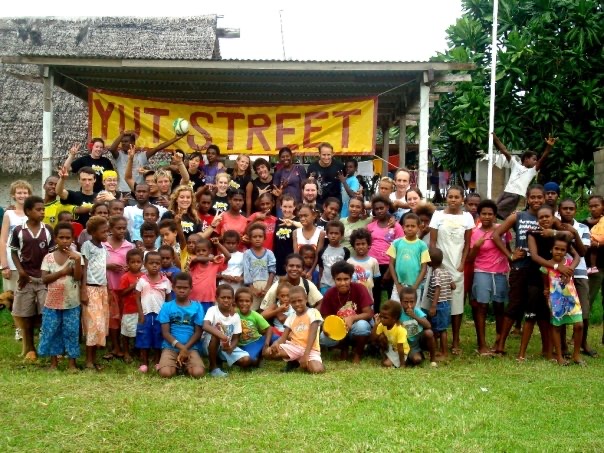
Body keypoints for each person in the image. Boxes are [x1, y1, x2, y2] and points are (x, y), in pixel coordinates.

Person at [492, 185, 548, 355]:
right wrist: (509, 255)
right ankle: (500, 344)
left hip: (541, 268)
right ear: (527, 198)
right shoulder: (518, 216)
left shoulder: (548, 217)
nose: (536, 200)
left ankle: (547, 349)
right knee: (515, 304)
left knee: (542, 307)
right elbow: (496, 235)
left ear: (544, 198)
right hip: (521, 267)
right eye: (533, 197)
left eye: (540, 197)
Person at [525, 206, 578, 362]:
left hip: (561, 282)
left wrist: (569, 269)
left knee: (558, 316)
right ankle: (547, 351)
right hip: (539, 278)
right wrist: (556, 266)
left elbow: (576, 254)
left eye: (547, 216)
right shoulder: (533, 233)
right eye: (541, 217)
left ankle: (556, 351)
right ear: (537, 220)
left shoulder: (559, 234)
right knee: (541, 315)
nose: (545, 220)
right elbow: (534, 256)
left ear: (553, 217)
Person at [429, 186, 473, 355]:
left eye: (457, 197)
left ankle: (455, 340)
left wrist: (462, 264)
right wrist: (435, 264)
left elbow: (467, 244)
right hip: (440, 265)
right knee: (437, 302)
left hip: (457, 266)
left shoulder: (467, 218)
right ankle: (437, 339)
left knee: (456, 305)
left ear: (462, 199)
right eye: (450, 196)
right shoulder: (438, 216)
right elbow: (433, 243)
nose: (453, 200)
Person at [10, 196, 55, 360]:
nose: (42, 212)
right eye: (38, 209)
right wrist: (21, 271)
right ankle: (29, 348)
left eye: (43, 209)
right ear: (28, 211)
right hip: (25, 279)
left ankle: (47, 347)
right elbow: (14, 252)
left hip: (43, 279)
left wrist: (49, 275)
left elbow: (52, 254)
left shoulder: (48, 230)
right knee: (26, 315)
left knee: (46, 314)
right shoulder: (18, 230)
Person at [467, 200, 511, 355]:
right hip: (482, 272)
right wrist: (477, 246)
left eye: (490, 214)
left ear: (495, 215)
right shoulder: (474, 232)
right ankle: (482, 345)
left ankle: (499, 342)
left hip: (501, 272)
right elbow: (470, 258)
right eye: (484, 214)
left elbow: (508, 249)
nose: (487, 217)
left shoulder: (502, 230)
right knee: (482, 307)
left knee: (499, 306)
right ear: (479, 215)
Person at [38, 222, 82, 371]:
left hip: (71, 303)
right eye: (61, 237)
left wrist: (76, 261)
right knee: (52, 330)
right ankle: (53, 363)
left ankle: (72, 363)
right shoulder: (48, 258)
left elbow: (78, 277)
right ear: (55, 239)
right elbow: (45, 279)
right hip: (52, 303)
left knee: (71, 331)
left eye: (67, 237)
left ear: (72, 239)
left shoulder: (76, 257)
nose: (64, 240)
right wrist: (62, 272)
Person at [558, 199, 594, 357]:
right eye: (564, 208)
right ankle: (563, 346)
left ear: (576, 210)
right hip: (560, 272)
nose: (568, 211)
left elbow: (583, 251)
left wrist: (573, 232)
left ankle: (583, 343)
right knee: (563, 309)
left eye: (571, 208)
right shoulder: (555, 226)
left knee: (584, 311)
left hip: (579, 272)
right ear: (559, 211)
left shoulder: (583, 227)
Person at [319, 261, 373, 364]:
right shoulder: (330, 293)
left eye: (346, 279)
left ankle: (358, 353)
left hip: (357, 326)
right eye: (338, 279)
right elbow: (325, 316)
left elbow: (369, 313)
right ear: (333, 279)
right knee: (323, 337)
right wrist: (327, 326)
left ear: (351, 278)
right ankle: (344, 349)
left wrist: (352, 318)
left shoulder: (360, 288)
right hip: (340, 328)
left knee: (362, 326)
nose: (343, 283)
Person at [493, 133, 557, 219]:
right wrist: (494, 137)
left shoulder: (532, 171)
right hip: (506, 192)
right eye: (534, 159)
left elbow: (543, 158)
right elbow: (504, 150)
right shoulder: (515, 165)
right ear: (526, 159)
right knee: (492, 209)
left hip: (515, 195)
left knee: (495, 212)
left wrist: (549, 147)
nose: (535, 162)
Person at [542, 235, 583, 365]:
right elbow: (545, 283)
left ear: (566, 251)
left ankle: (576, 355)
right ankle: (559, 356)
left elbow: (577, 257)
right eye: (556, 248)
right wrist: (546, 292)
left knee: (579, 325)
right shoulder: (546, 266)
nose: (559, 251)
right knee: (556, 326)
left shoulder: (570, 264)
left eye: (562, 249)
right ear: (551, 250)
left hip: (571, 298)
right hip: (556, 299)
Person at [157, 272, 206, 379]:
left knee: (198, 373)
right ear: (173, 287)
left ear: (191, 288)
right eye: (179, 287)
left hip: (191, 347)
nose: (182, 290)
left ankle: (184, 365)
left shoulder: (197, 307)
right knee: (166, 373)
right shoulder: (167, 306)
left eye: (185, 288)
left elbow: (198, 332)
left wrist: (185, 349)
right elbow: (165, 333)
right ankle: (176, 364)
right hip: (170, 347)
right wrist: (181, 348)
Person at [265, 286, 325, 373]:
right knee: (269, 352)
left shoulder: (313, 312)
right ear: (290, 302)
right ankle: (293, 360)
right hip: (294, 347)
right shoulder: (291, 317)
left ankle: (299, 361)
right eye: (293, 302)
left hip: (310, 349)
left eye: (300, 300)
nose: (297, 304)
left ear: (306, 299)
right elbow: (283, 338)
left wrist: (306, 354)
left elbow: (313, 334)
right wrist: (276, 343)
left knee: (317, 370)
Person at [109, 130, 185, 194]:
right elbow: (112, 149)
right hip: (123, 191)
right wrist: (122, 134)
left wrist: (175, 138)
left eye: (126, 141)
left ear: (133, 143)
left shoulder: (142, 156)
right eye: (122, 142)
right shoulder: (119, 155)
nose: (123, 143)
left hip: (139, 192)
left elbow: (157, 148)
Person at [201, 284, 252, 377]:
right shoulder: (212, 310)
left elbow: (236, 337)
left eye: (229, 298)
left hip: (225, 347)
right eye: (223, 297)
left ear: (233, 299)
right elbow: (205, 326)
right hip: (209, 345)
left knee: (246, 360)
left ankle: (220, 360)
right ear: (216, 298)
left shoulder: (235, 316)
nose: (226, 300)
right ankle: (213, 367)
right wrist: (222, 336)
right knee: (215, 336)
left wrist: (231, 348)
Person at [80, 216, 110, 370]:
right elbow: (83, 267)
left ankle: (94, 359)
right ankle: (88, 361)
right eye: (103, 231)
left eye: (107, 231)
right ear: (92, 232)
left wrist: (108, 289)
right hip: (90, 289)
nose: (106, 234)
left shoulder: (103, 248)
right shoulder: (87, 245)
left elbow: (104, 269)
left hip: (102, 289)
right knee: (92, 324)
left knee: (100, 326)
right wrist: (83, 289)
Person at [135, 251, 172, 373]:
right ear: (145, 265)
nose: (154, 266)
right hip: (145, 314)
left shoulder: (165, 281)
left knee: (159, 337)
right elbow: (137, 297)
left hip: (160, 316)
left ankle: (157, 361)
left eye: (157, 263)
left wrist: (167, 315)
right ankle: (144, 362)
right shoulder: (142, 280)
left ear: (161, 264)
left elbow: (168, 299)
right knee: (143, 337)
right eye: (151, 263)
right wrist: (140, 313)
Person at [103, 215, 134, 360]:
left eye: (124, 228)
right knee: (112, 319)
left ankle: (125, 346)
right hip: (108, 286)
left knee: (124, 317)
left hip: (124, 289)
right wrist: (107, 266)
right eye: (118, 228)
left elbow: (134, 263)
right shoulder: (103, 245)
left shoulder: (129, 246)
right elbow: (95, 264)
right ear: (110, 228)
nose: (121, 231)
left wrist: (129, 268)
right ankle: (115, 346)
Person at [367, 195, 403, 309]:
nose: (379, 211)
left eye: (381, 208)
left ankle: (392, 320)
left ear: (387, 207)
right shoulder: (370, 226)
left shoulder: (396, 226)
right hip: (373, 265)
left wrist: (389, 271)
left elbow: (399, 248)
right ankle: (375, 318)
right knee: (374, 294)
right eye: (376, 209)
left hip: (390, 265)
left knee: (391, 296)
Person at [388, 213, 429, 304]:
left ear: (418, 227)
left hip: (415, 285)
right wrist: (397, 284)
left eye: (413, 226)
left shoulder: (422, 245)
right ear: (403, 227)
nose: (410, 228)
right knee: (396, 309)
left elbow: (424, 268)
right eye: (407, 226)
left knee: (413, 311)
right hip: (399, 284)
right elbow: (391, 264)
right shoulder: (396, 243)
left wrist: (415, 286)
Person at [1, 181, 32, 302]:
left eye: (25, 192)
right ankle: (15, 321)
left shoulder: (32, 214)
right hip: (11, 262)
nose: (22, 195)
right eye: (19, 192)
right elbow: (3, 239)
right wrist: (4, 266)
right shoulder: (9, 214)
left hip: (29, 263)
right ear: (13, 195)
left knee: (27, 299)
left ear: (29, 195)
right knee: (12, 298)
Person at [423, 247, 454, 360]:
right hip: (446, 304)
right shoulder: (445, 271)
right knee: (442, 329)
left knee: (439, 330)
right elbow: (453, 286)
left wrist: (433, 305)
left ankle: (443, 353)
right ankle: (439, 351)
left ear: (430, 261)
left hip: (439, 305)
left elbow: (437, 288)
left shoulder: (436, 273)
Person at [189, 237, 231, 313]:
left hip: (208, 299)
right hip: (192, 299)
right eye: (198, 251)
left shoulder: (214, 264)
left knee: (206, 321)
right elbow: (197, 259)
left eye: (204, 250)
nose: (201, 253)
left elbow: (228, 256)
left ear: (210, 251)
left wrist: (218, 244)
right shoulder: (194, 262)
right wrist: (211, 259)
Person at [236, 287, 275, 366]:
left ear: (251, 302)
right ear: (236, 302)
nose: (244, 303)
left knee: (277, 338)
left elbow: (269, 328)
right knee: (249, 361)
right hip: (243, 344)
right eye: (241, 301)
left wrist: (266, 344)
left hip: (256, 340)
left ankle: (264, 352)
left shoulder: (255, 315)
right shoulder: (234, 314)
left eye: (247, 301)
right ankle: (259, 357)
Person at [399, 287, 437, 367]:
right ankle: (408, 356)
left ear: (416, 302)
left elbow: (428, 325)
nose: (409, 305)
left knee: (429, 333)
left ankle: (433, 359)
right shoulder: (398, 313)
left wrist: (414, 316)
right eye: (406, 302)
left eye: (412, 302)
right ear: (401, 302)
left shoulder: (417, 312)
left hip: (416, 343)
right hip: (403, 343)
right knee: (415, 359)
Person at [118, 248, 144, 363]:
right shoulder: (125, 277)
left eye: (138, 262)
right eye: (132, 262)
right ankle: (126, 352)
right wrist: (133, 286)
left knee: (139, 331)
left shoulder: (144, 276)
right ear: (128, 263)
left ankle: (138, 350)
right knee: (127, 332)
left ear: (142, 262)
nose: (135, 264)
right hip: (129, 309)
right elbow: (121, 293)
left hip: (141, 310)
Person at [243, 223, 277, 311]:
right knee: (252, 310)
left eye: (260, 236)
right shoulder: (247, 254)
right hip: (253, 286)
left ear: (264, 238)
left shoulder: (269, 253)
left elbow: (272, 271)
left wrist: (267, 287)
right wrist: (252, 289)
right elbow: (246, 272)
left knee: (266, 310)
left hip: (267, 284)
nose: (257, 239)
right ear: (250, 239)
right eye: (254, 237)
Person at [586, 195, 604, 344]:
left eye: (596, 205)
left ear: (603, 206)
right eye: (591, 206)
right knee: (588, 300)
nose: (593, 208)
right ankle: (580, 337)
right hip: (594, 269)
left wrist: (597, 245)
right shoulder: (585, 223)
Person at [370, 300, 409, 368]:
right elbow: (373, 339)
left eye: (385, 318)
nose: (382, 319)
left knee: (386, 364)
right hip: (391, 348)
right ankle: (386, 358)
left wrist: (402, 364)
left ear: (394, 319)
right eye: (381, 316)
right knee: (381, 337)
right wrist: (376, 325)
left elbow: (400, 348)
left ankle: (403, 361)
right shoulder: (382, 325)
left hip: (401, 352)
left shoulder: (400, 330)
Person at [307, 142, 344, 209]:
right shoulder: (312, 167)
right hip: (318, 204)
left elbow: (348, 178)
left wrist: (359, 187)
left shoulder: (339, 166)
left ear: (332, 154)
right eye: (324, 155)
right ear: (319, 154)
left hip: (335, 204)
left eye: (328, 155)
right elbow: (306, 184)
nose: (326, 157)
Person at [348, 228, 380, 301]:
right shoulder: (349, 262)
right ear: (353, 246)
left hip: (369, 298)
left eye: (363, 244)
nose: (361, 246)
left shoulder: (373, 261)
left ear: (368, 244)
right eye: (358, 244)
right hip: (353, 297)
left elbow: (376, 281)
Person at [318, 220, 350, 295]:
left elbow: (347, 271)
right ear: (327, 234)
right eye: (331, 233)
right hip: (325, 285)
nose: (333, 235)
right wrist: (319, 284)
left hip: (339, 286)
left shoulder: (345, 251)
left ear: (341, 235)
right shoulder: (322, 251)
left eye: (336, 233)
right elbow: (321, 270)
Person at [292, 204, 325, 271]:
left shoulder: (320, 233)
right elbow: (296, 254)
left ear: (314, 216)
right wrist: (301, 270)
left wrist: (310, 271)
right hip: (299, 270)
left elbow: (317, 255)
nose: (302, 219)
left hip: (315, 270)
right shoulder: (296, 232)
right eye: (300, 216)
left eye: (305, 216)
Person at [273, 195, 300, 276]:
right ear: (280, 207)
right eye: (284, 206)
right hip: (278, 263)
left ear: (294, 207)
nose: (287, 210)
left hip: (292, 263)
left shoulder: (298, 222)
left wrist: (293, 223)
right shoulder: (277, 222)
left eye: (290, 207)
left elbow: (308, 228)